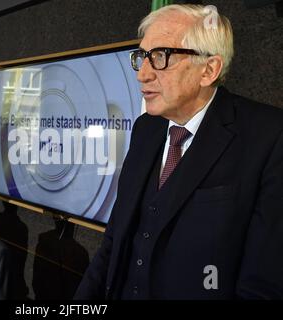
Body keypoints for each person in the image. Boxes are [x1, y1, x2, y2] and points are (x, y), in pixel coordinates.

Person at [75, 4, 283, 300]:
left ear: (209, 69)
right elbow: (115, 241)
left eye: (160, 57)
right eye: (142, 57)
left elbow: (262, 285)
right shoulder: (146, 128)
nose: (142, 75)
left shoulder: (269, 136)